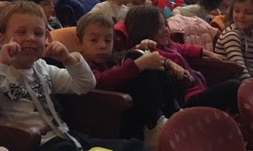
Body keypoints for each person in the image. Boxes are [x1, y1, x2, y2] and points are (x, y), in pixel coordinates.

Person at [0, 1, 144, 151]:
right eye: (21, 32)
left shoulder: (44, 68)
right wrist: (1, 64)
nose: (31, 38)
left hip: (67, 136)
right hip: (33, 144)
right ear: (2, 39)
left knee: (135, 146)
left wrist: (69, 59)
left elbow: (86, 84)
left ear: (46, 38)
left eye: (38, 33)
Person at [76, 12, 178, 149]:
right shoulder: (80, 64)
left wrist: (140, 49)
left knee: (145, 61)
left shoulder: (110, 59)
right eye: (94, 40)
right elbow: (100, 81)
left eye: (108, 40)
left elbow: (123, 56)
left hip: (129, 109)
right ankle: (154, 123)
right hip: (108, 114)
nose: (102, 45)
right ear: (79, 43)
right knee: (140, 66)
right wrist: (138, 64)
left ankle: (173, 113)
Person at [125, 6, 240, 116]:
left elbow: (187, 48)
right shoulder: (148, 52)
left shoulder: (170, 46)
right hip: (186, 100)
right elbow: (142, 55)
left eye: (165, 25)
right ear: (143, 31)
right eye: (158, 27)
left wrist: (209, 53)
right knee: (233, 86)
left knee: (236, 87)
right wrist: (146, 45)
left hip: (200, 89)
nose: (166, 30)